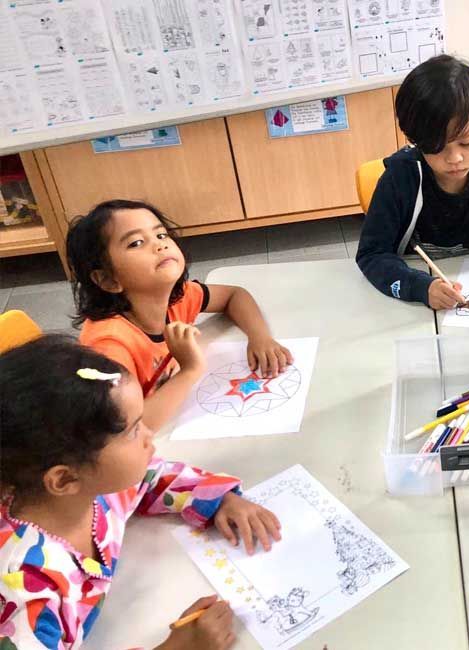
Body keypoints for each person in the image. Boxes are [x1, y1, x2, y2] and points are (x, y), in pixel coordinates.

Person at [0, 336, 283, 649]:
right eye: (134, 430)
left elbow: (150, 478)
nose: (149, 435)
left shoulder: (96, 490)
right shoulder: (28, 590)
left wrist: (220, 499)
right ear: (65, 479)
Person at [67, 199, 292, 431]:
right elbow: (125, 428)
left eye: (161, 235)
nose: (159, 245)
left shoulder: (177, 297)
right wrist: (190, 369)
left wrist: (260, 337)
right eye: (136, 243)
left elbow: (234, 295)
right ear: (107, 280)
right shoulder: (108, 345)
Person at [356, 54, 469, 327]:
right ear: (416, 141)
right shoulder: (400, 178)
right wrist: (419, 286)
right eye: (438, 147)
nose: (455, 158)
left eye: (466, 143)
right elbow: (372, 254)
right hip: (417, 306)